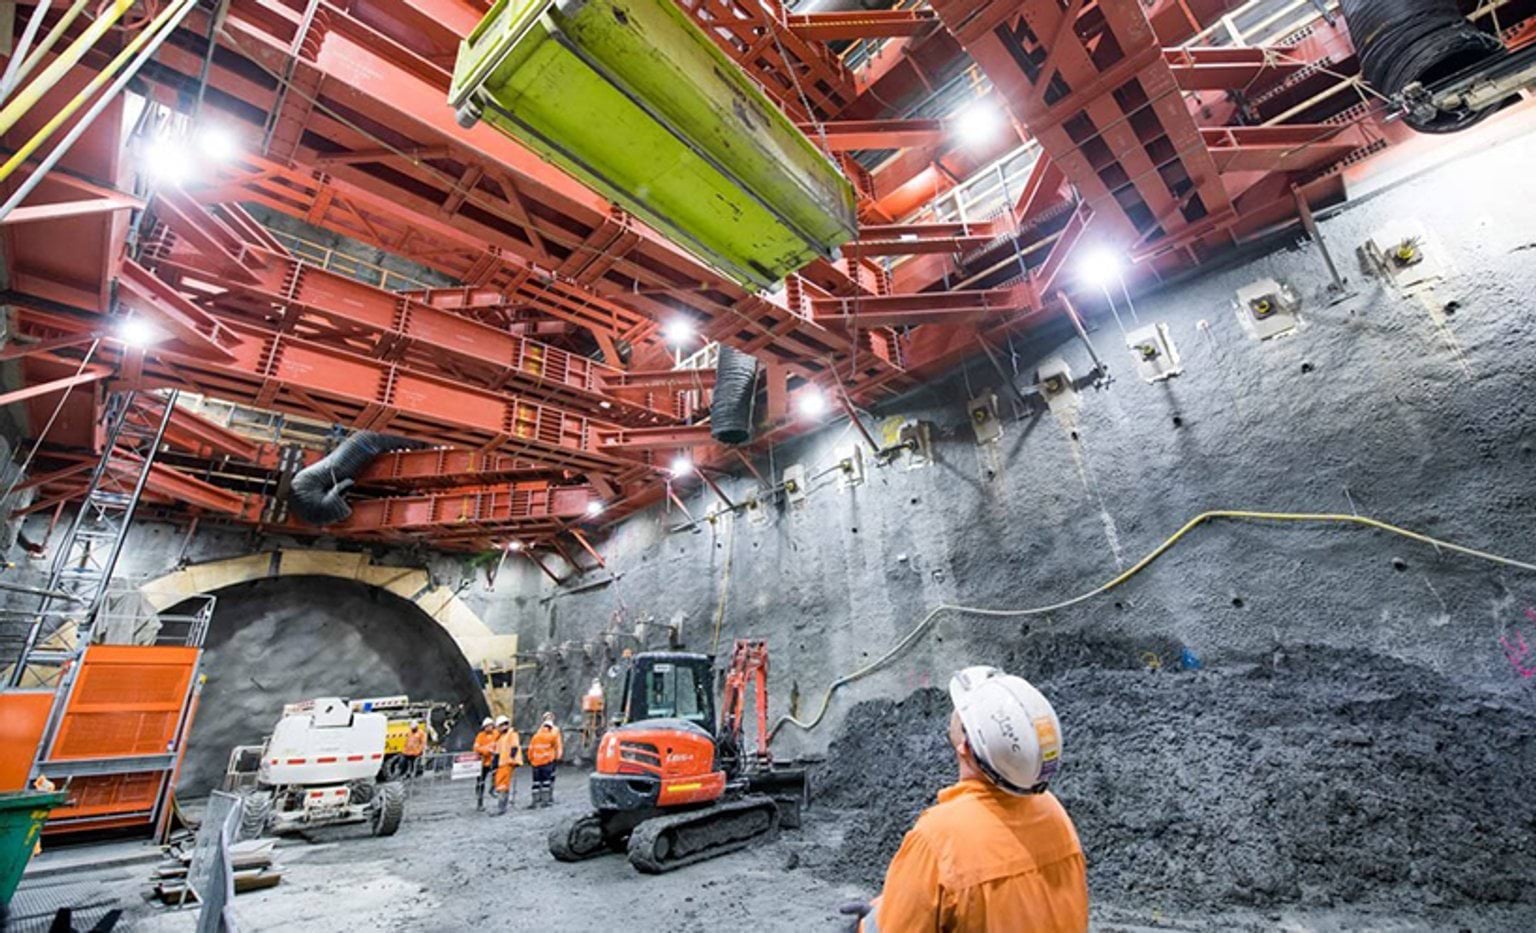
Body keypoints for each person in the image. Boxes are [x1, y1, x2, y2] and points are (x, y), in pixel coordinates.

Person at [849, 666, 1088, 933]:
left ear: (964, 744)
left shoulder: (937, 840)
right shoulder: (1054, 813)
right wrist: (895, 901)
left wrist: (868, 925)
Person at [526, 711, 564, 808]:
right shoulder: (550, 733)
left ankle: (543, 798)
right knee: (547, 780)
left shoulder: (539, 734)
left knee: (541, 781)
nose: (549, 718)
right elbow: (557, 744)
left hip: (540, 761)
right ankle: (545, 799)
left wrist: (531, 759)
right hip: (548, 760)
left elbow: (531, 748)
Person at [492, 715, 523, 815]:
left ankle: (501, 807)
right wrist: (495, 766)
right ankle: (502, 806)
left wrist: (512, 759)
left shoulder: (511, 734)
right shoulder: (501, 737)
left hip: (506, 763)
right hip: (502, 763)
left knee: (502, 785)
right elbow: (497, 753)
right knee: (501, 785)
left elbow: (514, 747)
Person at [472, 716, 498, 810]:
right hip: (483, 763)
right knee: (480, 782)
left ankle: (493, 789)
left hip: (494, 761)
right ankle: (480, 802)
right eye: (487, 726)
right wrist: (487, 750)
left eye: (490, 726)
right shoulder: (480, 736)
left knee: (497, 776)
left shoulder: (497, 734)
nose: (489, 728)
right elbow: (476, 748)